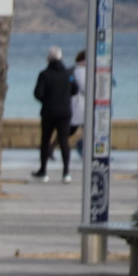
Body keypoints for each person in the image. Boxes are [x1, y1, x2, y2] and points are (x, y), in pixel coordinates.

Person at [32, 46, 77, 183]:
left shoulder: (44, 74)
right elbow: (74, 89)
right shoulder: (68, 74)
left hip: (49, 112)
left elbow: (38, 93)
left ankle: (43, 171)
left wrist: (48, 100)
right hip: (65, 112)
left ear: (49, 58)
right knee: (64, 141)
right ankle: (66, 172)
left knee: (45, 140)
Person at [69, 49, 88, 159]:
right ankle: (81, 146)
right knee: (73, 129)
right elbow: (84, 87)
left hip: (80, 106)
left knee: (75, 129)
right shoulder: (80, 71)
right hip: (80, 106)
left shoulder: (78, 70)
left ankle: (50, 149)